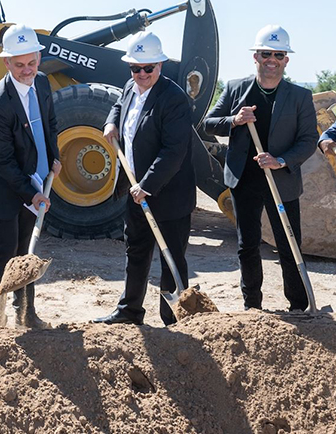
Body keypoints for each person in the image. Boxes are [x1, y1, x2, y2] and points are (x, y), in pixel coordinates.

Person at [202, 25, 317, 311]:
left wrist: (281, 160)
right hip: (245, 179)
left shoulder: (299, 96)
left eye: (279, 54)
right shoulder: (235, 89)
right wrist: (235, 120)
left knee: (289, 244)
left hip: (281, 180)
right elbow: (208, 123)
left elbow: (308, 139)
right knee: (247, 244)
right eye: (266, 53)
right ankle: (252, 305)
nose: (272, 59)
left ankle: (299, 306)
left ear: (286, 60)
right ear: (256, 56)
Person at [93, 32, 195, 326]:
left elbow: (174, 151)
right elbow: (119, 106)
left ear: (160, 65)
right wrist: (111, 122)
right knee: (135, 251)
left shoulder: (174, 99)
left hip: (168, 194)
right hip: (134, 190)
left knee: (171, 258)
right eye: (135, 68)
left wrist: (146, 186)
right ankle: (129, 311)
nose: (141, 74)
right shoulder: (130, 87)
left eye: (147, 68)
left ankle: (174, 318)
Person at [0, 25, 61, 326]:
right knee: (6, 251)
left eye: (32, 63)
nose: (26, 70)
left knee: (27, 251)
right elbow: (4, 162)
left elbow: (50, 123)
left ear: (38, 58)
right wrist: (30, 193)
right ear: (6, 63)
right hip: (5, 188)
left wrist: (54, 156)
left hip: (36, 180)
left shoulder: (43, 83)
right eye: (19, 65)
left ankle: (26, 314)